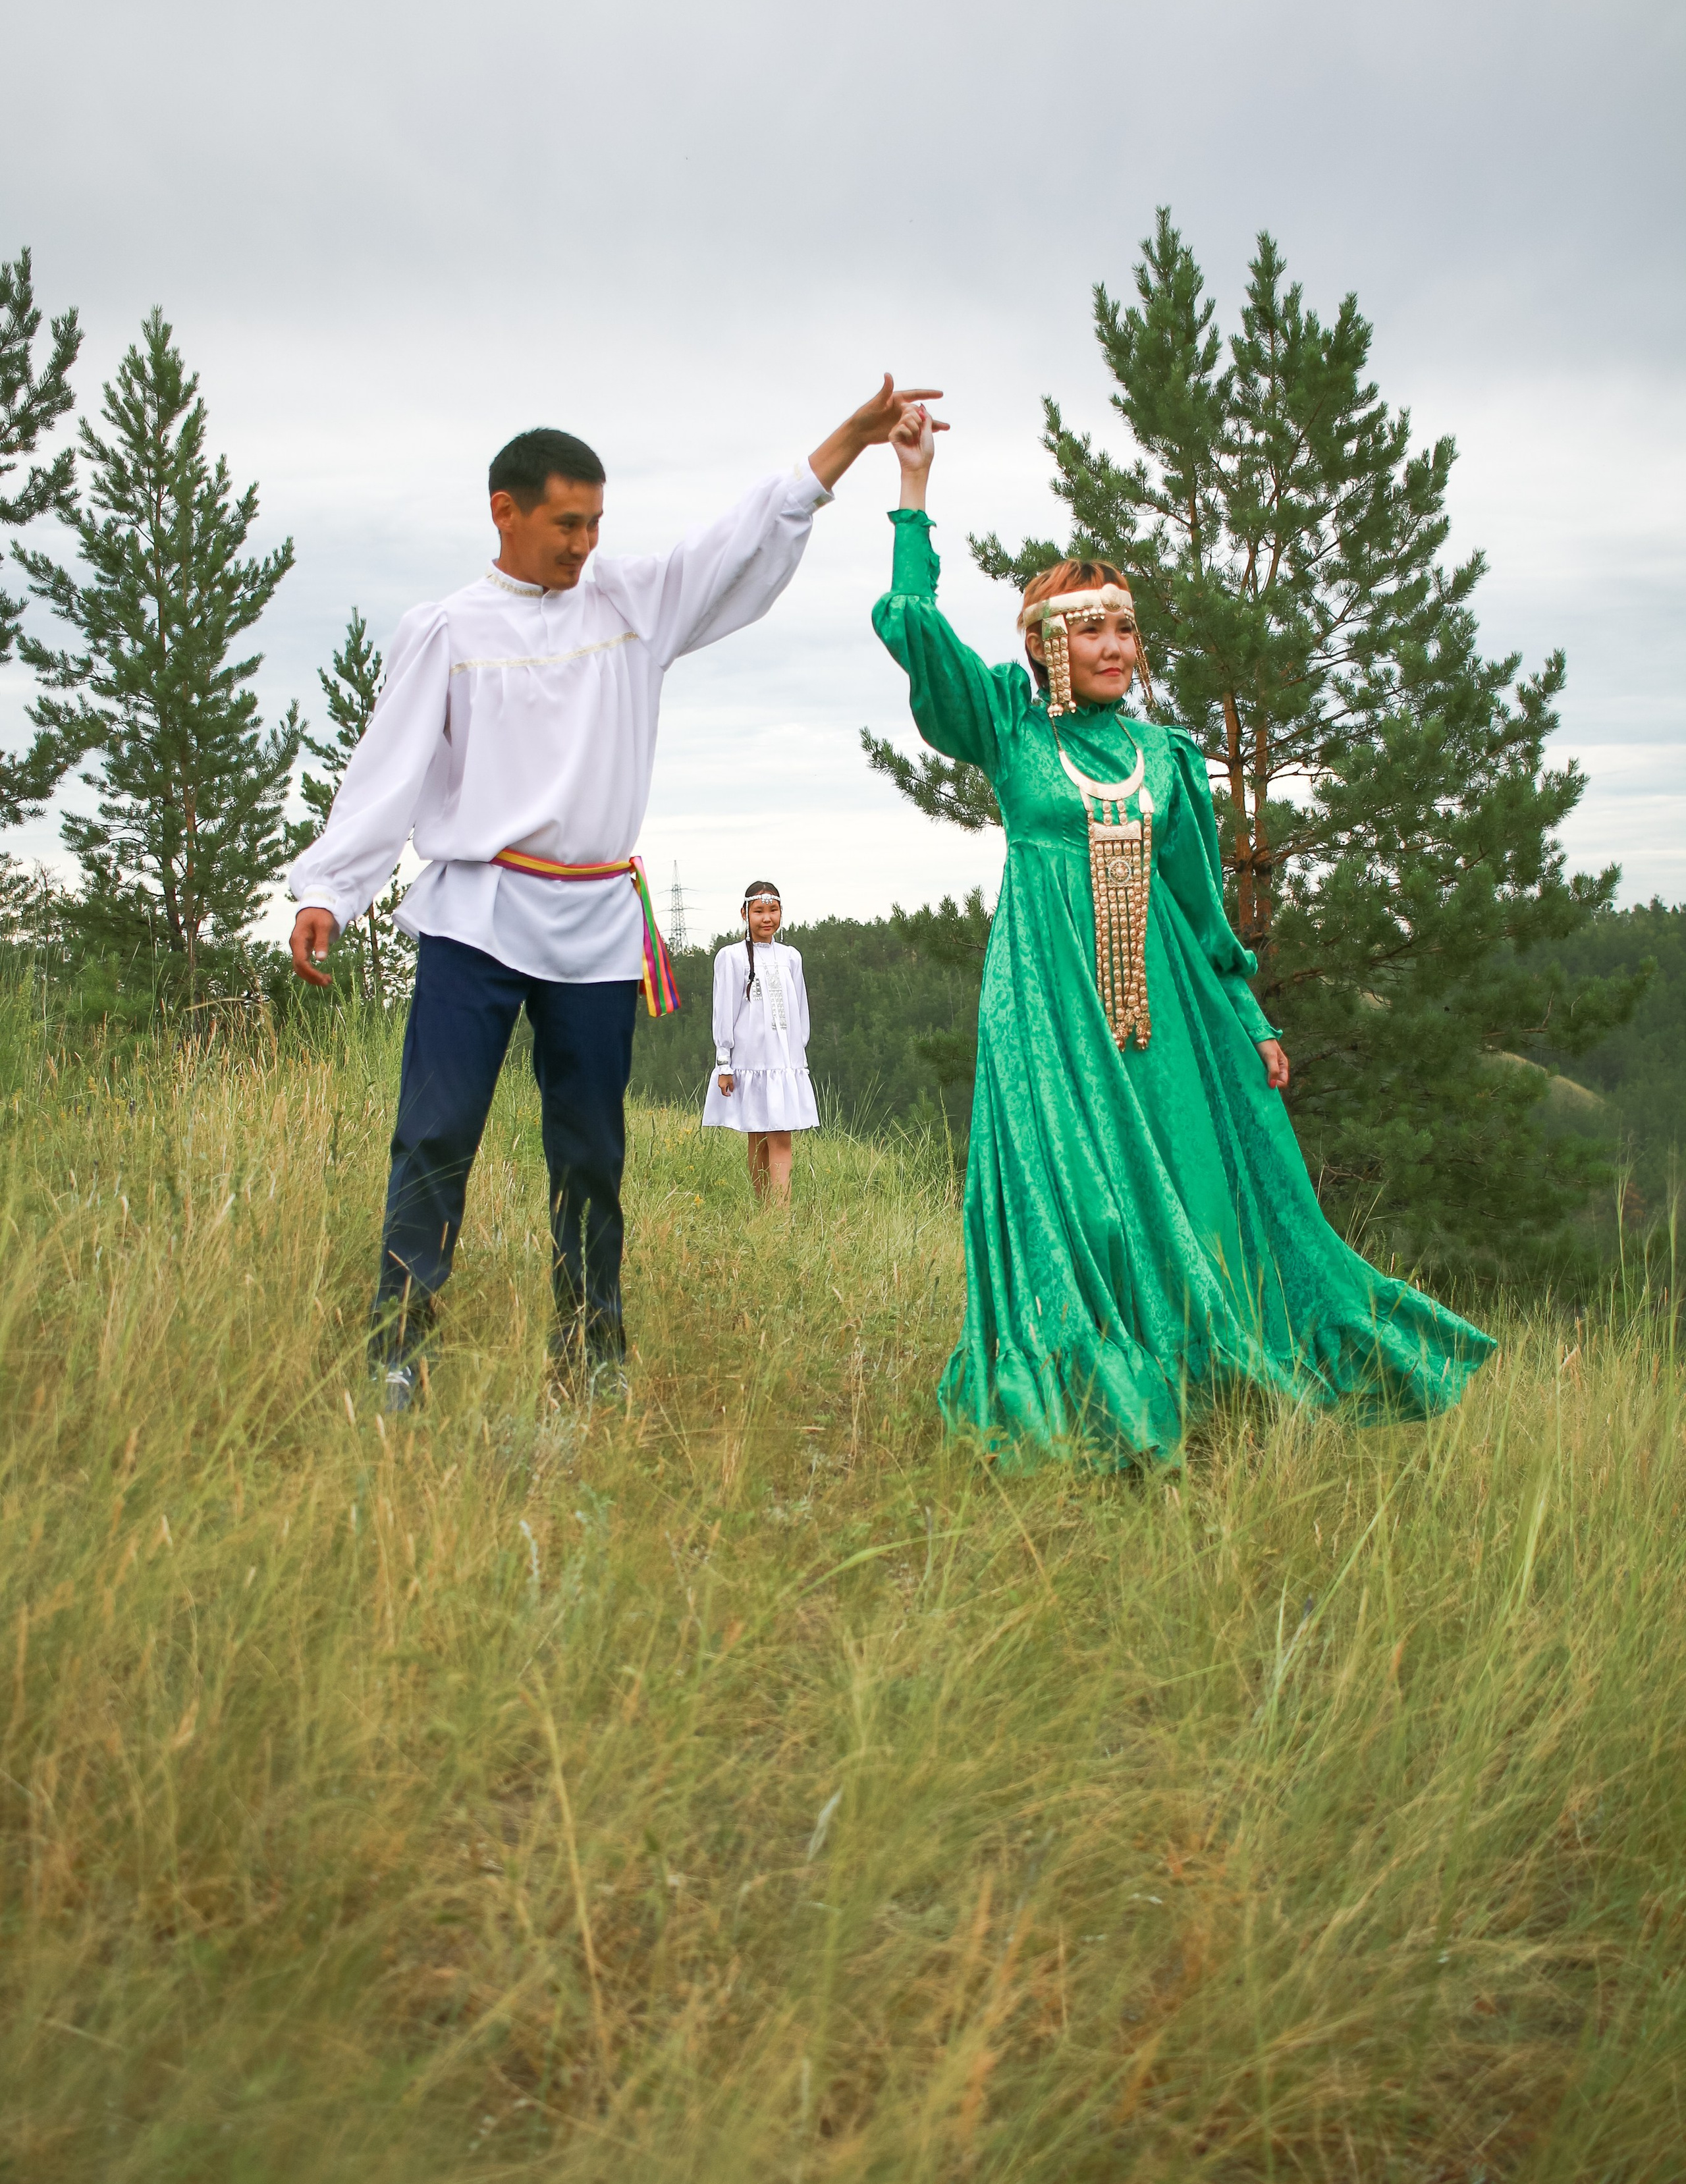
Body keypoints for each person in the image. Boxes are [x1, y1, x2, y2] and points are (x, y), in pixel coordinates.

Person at [290, 377, 940, 1407]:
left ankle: (591, 1349)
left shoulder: (631, 604)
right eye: (566, 522)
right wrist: (331, 887)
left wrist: (850, 446)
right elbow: (387, 771)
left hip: (594, 925)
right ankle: (399, 1348)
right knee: (437, 1132)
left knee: (590, 1150)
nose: (585, 542)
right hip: (475, 915)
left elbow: (737, 542)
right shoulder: (447, 630)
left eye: (597, 521)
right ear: (504, 511)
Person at [871, 403, 1494, 1463]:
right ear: (1044, 646)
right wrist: (915, 495)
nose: (1113, 646)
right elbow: (910, 626)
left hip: (1170, 1014)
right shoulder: (1010, 729)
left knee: (1196, 1185)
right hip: (1049, 1009)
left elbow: (1204, 909)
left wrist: (1246, 1012)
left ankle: (1202, 1383)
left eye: (1124, 628)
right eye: (1088, 629)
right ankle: (1084, 1387)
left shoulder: (1167, 756)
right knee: (1081, 1201)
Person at [702, 881, 819, 1201]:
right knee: (759, 1138)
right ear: (745, 913)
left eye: (773, 911)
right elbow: (724, 1010)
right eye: (759, 911)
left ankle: (777, 1214)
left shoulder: (791, 957)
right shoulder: (731, 957)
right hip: (751, 1060)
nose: (767, 918)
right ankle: (766, 1208)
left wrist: (797, 1053)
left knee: (781, 1136)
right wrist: (724, 1061)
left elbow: (800, 1007)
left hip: (784, 1062)